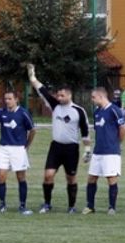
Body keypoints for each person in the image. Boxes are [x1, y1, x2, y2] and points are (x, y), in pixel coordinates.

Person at [27, 64, 90, 214]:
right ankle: (47, 204)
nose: (59, 98)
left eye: (62, 95)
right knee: (48, 175)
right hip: (56, 147)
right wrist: (32, 75)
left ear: (69, 95)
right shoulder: (54, 105)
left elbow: (86, 132)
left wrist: (87, 150)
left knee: (71, 178)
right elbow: (40, 88)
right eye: (58, 95)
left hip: (71, 148)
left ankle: (71, 206)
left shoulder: (79, 111)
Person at [84, 86, 125, 214]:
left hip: (111, 151)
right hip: (98, 151)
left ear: (101, 96)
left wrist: (117, 143)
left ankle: (112, 207)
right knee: (91, 178)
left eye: (93, 97)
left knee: (111, 178)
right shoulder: (97, 112)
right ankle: (90, 206)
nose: (92, 100)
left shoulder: (114, 110)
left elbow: (123, 129)